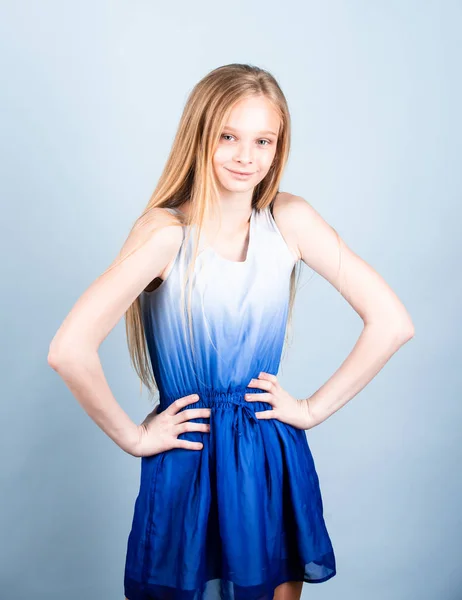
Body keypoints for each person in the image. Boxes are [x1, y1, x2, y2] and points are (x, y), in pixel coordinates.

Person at [48, 63, 415, 600]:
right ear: (200, 134)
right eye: (229, 136)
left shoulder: (290, 220)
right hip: (189, 457)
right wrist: (134, 437)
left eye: (263, 140)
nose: (247, 156)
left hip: (270, 454)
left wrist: (310, 410)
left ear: (278, 146)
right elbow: (69, 350)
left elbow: (392, 323)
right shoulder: (164, 234)